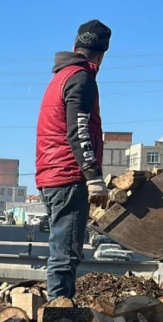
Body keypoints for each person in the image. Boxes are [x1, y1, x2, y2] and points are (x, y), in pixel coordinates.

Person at [34, 20, 112, 300]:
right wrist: (93, 176)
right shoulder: (81, 78)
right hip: (68, 176)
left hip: (52, 175)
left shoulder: (61, 76)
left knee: (62, 252)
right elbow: (78, 130)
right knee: (66, 255)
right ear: (101, 55)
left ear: (76, 46)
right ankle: (58, 321)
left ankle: (62, 310)